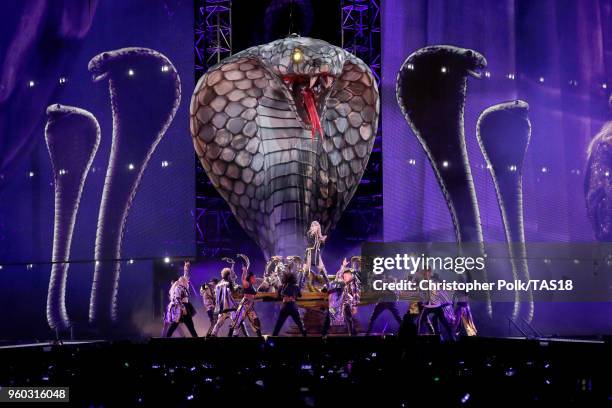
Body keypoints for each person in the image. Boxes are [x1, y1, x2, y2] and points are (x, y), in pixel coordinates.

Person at [322, 258, 361, 336]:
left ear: (351, 276)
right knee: (328, 315)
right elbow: (338, 275)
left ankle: (352, 333)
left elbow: (356, 293)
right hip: (335, 301)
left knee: (348, 317)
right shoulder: (341, 279)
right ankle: (324, 334)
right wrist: (343, 266)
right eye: (344, 276)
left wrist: (355, 306)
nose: (345, 277)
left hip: (346, 301)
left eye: (347, 276)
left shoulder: (353, 281)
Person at [417, 269, 455, 341]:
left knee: (444, 322)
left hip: (437, 306)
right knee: (420, 322)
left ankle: (452, 338)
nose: (425, 275)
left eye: (427, 274)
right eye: (424, 274)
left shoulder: (435, 282)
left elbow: (444, 291)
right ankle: (440, 337)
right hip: (428, 307)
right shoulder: (423, 282)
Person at [166, 261, 198, 338]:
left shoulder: (185, 287)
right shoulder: (178, 288)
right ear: (180, 281)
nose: (186, 279)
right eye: (184, 279)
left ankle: (195, 336)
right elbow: (177, 298)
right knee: (176, 324)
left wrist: (186, 267)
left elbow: (186, 275)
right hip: (181, 307)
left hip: (185, 305)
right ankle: (167, 337)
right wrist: (183, 308)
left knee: (188, 324)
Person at [229, 264, 262, 337]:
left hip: (250, 306)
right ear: (250, 278)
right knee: (237, 323)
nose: (255, 279)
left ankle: (260, 337)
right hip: (244, 305)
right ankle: (231, 336)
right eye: (253, 278)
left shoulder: (251, 285)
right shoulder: (246, 284)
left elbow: (255, 293)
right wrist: (244, 270)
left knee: (256, 321)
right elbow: (243, 279)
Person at [272, 270, 307, 336]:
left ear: (284, 278)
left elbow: (278, 297)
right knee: (300, 324)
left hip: (285, 306)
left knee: (279, 324)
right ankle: (305, 335)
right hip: (293, 306)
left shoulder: (282, 287)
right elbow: (300, 295)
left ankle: (273, 337)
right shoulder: (296, 286)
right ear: (294, 278)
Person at [209, 267, 239, 337]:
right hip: (229, 306)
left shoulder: (218, 284)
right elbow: (231, 294)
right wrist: (236, 305)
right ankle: (235, 334)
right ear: (228, 276)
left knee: (219, 322)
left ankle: (213, 333)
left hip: (220, 307)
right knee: (235, 319)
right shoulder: (229, 283)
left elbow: (216, 295)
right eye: (230, 275)